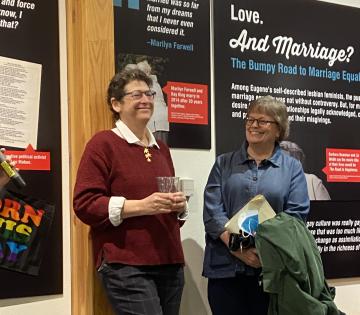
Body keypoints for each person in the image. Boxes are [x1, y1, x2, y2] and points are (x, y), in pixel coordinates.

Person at [73, 68, 187, 315]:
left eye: (149, 94)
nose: (146, 100)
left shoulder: (162, 150)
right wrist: (141, 206)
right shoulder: (103, 144)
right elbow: (85, 204)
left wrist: (179, 206)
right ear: (116, 104)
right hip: (126, 264)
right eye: (136, 95)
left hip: (170, 261)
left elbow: (169, 212)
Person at [202, 95, 310, 315]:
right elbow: (212, 212)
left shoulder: (292, 168)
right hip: (225, 270)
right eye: (250, 119)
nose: (254, 125)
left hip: (270, 271)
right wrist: (238, 246)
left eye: (262, 121)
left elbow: (296, 215)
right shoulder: (223, 163)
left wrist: (259, 247)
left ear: (279, 130)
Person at [137, 60, 170, 144]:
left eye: (140, 72)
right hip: (161, 119)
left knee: (157, 149)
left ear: (147, 72)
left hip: (156, 120)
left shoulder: (149, 85)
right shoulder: (155, 83)